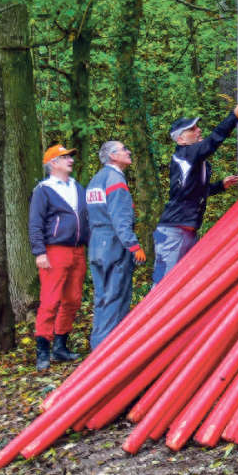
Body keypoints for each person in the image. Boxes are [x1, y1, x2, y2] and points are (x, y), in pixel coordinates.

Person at [155, 90, 238, 284]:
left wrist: (220, 186)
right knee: (163, 286)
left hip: (186, 231)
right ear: (181, 140)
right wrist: (237, 112)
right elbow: (214, 140)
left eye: (197, 127)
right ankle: (149, 316)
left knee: (182, 283)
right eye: (192, 130)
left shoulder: (195, 161)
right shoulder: (185, 155)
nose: (198, 131)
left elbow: (192, 192)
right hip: (173, 232)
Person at [28, 144, 89, 371]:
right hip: (54, 251)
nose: (70, 160)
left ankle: (60, 345)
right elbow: (35, 223)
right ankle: (42, 348)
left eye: (70, 157)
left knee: (72, 299)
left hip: (77, 250)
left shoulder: (77, 186)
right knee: (50, 300)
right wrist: (39, 252)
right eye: (65, 158)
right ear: (53, 163)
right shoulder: (43, 189)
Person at [85, 140, 146, 350]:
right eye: (123, 150)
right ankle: (107, 352)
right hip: (113, 244)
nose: (128, 152)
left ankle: (97, 347)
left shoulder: (95, 180)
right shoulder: (115, 180)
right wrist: (133, 246)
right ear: (112, 156)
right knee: (116, 297)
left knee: (101, 297)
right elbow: (120, 218)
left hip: (96, 244)